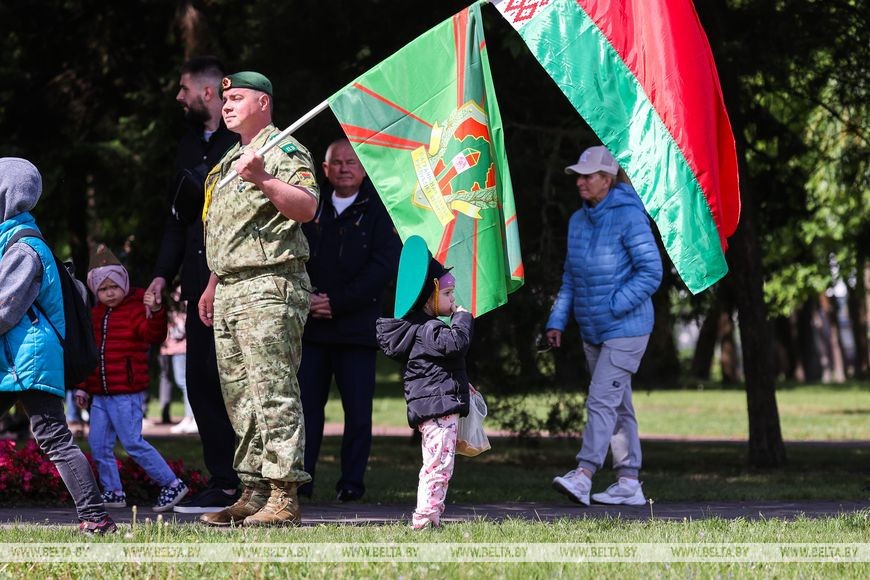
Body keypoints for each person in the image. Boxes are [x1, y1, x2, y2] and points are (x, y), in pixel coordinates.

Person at [197, 71, 319, 527]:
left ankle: (284, 495)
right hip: (231, 287)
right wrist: (213, 283)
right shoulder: (229, 158)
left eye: (237, 97)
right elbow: (229, 229)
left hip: (270, 285)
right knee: (240, 398)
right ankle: (252, 490)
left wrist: (264, 178)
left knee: (273, 392)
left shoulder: (283, 149)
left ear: (263, 102)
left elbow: (307, 207)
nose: (226, 105)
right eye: (224, 98)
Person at [146, 56, 241, 514]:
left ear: (207, 93)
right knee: (200, 383)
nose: (178, 97)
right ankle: (223, 482)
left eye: (184, 89)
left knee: (239, 384)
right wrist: (163, 275)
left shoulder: (242, 143)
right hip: (197, 286)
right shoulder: (186, 146)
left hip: (238, 286)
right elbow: (176, 222)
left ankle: (261, 482)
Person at [0, 157, 116, 533]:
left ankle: (96, 518)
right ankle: (95, 516)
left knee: (53, 437)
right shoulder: (12, 240)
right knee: (54, 437)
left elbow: (4, 308)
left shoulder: (23, 247)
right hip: (14, 359)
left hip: (29, 360)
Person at [546, 146, 662, 507]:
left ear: (607, 181)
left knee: (600, 401)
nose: (580, 182)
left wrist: (615, 304)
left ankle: (583, 475)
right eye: (578, 175)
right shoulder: (578, 221)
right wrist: (557, 320)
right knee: (616, 405)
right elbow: (570, 277)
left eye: (588, 175)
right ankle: (629, 482)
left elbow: (651, 271)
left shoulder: (630, 216)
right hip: (593, 330)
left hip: (627, 328)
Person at [298, 138, 401, 502]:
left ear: (363, 168)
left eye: (351, 162)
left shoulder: (378, 210)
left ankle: (352, 484)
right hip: (311, 329)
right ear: (324, 170)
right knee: (306, 410)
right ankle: (301, 482)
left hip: (357, 329)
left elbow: (384, 266)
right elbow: (293, 256)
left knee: (358, 413)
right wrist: (308, 298)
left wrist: (337, 303)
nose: (343, 167)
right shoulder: (308, 206)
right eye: (336, 162)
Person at [75, 245, 189, 512]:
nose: (109, 293)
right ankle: (113, 492)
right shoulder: (95, 316)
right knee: (99, 444)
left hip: (126, 392)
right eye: (103, 289)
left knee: (132, 442)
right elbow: (91, 356)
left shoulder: (137, 309)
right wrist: (82, 387)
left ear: (124, 284)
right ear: (95, 291)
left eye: (114, 286)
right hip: (100, 394)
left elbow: (153, 335)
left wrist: (158, 311)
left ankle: (172, 484)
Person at [376, 236, 473, 530]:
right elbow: (456, 344)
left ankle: (432, 515)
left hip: (435, 406)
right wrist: (463, 319)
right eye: (449, 294)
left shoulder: (424, 329)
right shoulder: (430, 330)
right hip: (438, 410)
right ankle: (425, 518)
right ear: (430, 295)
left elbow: (443, 366)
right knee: (438, 465)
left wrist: (464, 385)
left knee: (438, 463)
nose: (454, 300)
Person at [159, 286, 197, 435]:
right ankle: (189, 417)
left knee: (185, 383)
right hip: (172, 349)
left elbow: (180, 328)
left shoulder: (180, 294)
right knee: (183, 382)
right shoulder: (171, 295)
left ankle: (191, 418)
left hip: (180, 348)